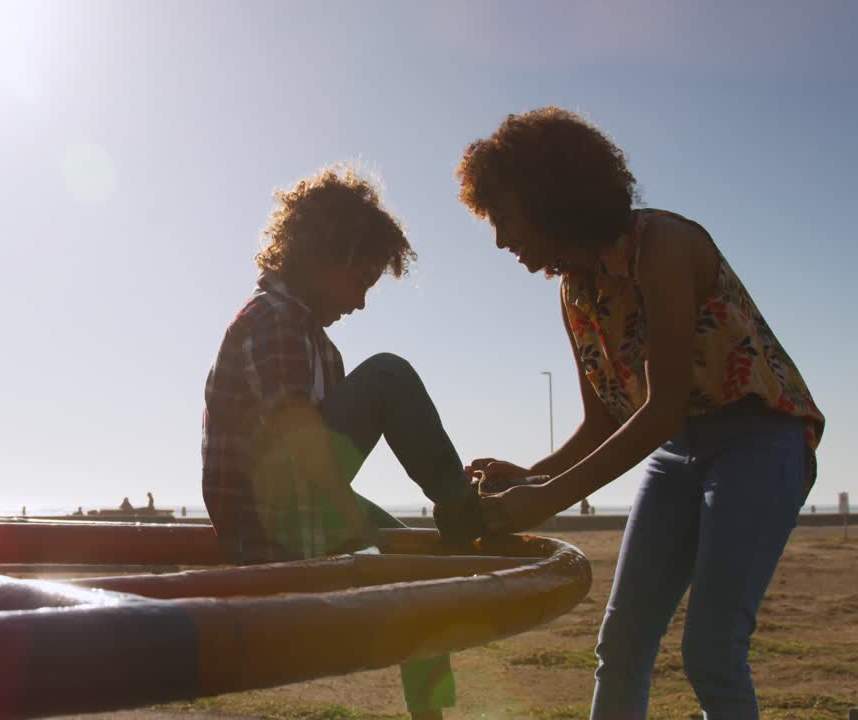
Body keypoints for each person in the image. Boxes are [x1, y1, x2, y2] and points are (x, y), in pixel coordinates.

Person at [455, 108, 825, 720]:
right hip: (675, 451)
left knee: (711, 651)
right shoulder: (573, 289)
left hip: (758, 442)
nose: (500, 240)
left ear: (549, 196)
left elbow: (660, 409)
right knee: (622, 644)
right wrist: (530, 476)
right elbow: (602, 423)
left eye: (504, 217)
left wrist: (543, 500)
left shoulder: (663, 245)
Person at [201, 164, 483, 720]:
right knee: (388, 376)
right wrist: (353, 526)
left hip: (300, 506)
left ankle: (434, 715)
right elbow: (300, 437)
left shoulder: (316, 342)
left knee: (423, 586)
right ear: (323, 258)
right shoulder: (273, 320)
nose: (360, 303)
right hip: (271, 522)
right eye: (361, 282)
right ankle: (462, 508)